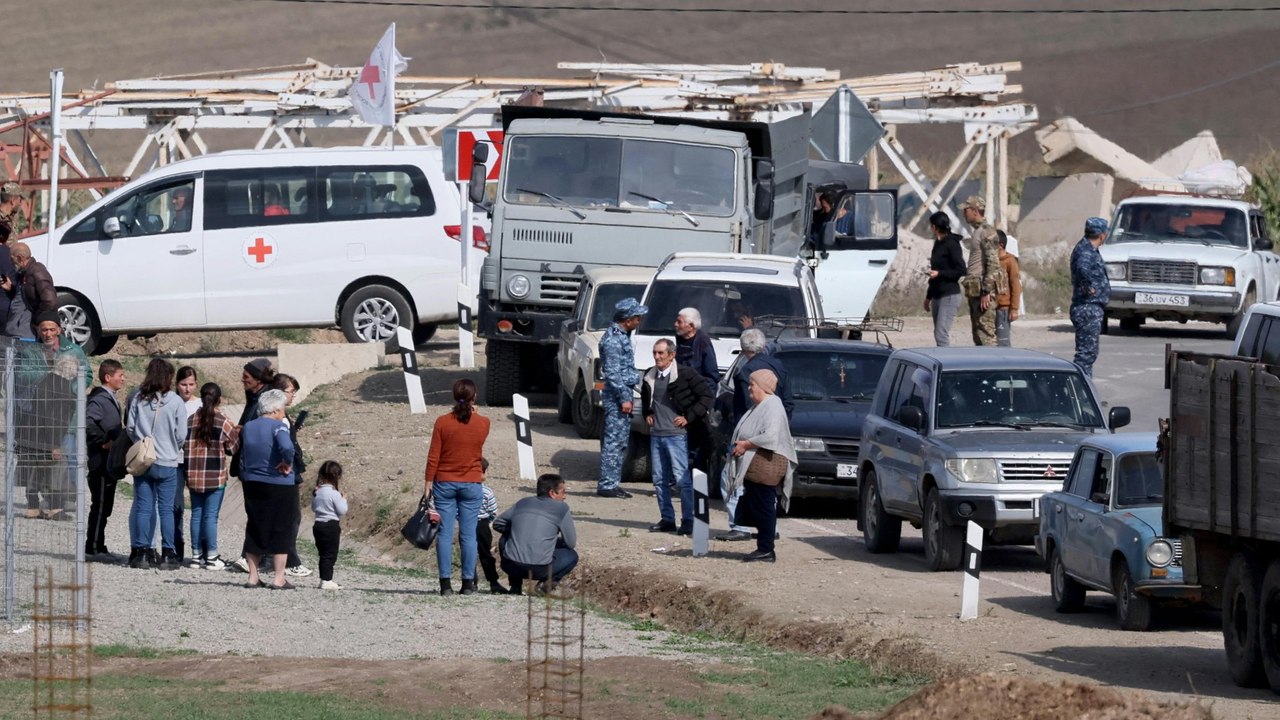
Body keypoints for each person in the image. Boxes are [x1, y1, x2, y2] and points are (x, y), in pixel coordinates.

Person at [716, 328, 793, 542]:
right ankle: (768, 527)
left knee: (731, 479)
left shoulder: (747, 372)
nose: (750, 388)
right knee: (767, 489)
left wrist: (745, 442)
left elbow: (752, 408)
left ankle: (741, 526)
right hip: (775, 438)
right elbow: (788, 401)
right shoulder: (778, 365)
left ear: (742, 349)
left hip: (753, 441)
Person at [16, 311, 91, 521]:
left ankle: (63, 500)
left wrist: (69, 389)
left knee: (64, 460)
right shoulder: (31, 351)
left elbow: (87, 374)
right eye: (44, 330)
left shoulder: (73, 350)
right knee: (36, 461)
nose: (48, 334)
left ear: (59, 330)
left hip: (66, 417)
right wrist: (49, 379)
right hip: (35, 416)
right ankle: (40, 503)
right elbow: (21, 374)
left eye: (51, 329)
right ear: (38, 331)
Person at [424, 378, 490, 596]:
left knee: (445, 534)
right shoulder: (484, 423)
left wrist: (428, 482)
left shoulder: (442, 422)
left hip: (444, 482)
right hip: (472, 482)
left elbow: (434, 456)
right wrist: (475, 412)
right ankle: (468, 583)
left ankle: (445, 584)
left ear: (454, 396)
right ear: (474, 397)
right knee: (468, 535)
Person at [641, 338, 713, 536]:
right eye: (655, 353)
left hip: (676, 436)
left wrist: (688, 418)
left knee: (682, 480)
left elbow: (706, 396)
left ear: (671, 355)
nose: (657, 357)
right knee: (659, 479)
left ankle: (688, 520)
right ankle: (667, 519)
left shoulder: (686, 374)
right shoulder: (650, 375)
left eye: (661, 353)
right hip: (657, 434)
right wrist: (647, 414)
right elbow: (648, 399)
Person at [726, 369, 796, 563]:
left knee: (764, 506)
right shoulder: (761, 405)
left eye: (752, 384)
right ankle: (763, 547)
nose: (749, 388)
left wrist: (746, 444)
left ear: (764, 387)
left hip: (767, 465)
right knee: (757, 504)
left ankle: (766, 549)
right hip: (756, 465)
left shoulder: (773, 405)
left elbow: (771, 436)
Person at [125, 358, 187, 570]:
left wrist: (142, 444)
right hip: (168, 461)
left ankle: (142, 553)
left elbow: (131, 428)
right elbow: (181, 434)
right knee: (166, 510)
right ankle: (168, 554)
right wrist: (171, 446)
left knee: (144, 508)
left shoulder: (138, 399)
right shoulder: (176, 402)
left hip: (145, 460)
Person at [239, 389, 297, 590]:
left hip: (253, 481)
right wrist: (286, 462)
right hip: (278, 482)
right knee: (281, 528)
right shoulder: (278, 427)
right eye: (282, 409)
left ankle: (253, 576)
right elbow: (288, 448)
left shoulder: (248, 427)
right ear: (275, 409)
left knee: (255, 527)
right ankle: (278, 578)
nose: (283, 414)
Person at [493, 473, 578, 596]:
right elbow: (571, 543)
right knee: (571, 556)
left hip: (511, 566)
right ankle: (545, 586)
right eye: (563, 492)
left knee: (506, 538)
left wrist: (519, 532)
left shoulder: (523, 502)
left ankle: (515, 586)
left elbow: (498, 523)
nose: (565, 496)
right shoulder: (561, 508)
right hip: (539, 569)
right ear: (552, 493)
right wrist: (551, 540)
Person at [184, 382, 238, 569]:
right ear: (219, 399)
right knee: (211, 516)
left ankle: (196, 556)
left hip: (193, 475)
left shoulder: (190, 419)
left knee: (196, 514)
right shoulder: (222, 420)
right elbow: (233, 448)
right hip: (215, 476)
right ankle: (212, 557)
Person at [597, 298, 647, 499]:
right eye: (637, 317)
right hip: (617, 395)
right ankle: (607, 484)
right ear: (628, 319)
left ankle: (612, 482)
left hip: (623, 393)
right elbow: (612, 373)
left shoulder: (621, 336)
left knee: (620, 442)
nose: (639, 321)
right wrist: (624, 398)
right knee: (614, 442)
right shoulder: (613, 340)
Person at [231, 358, 275, 573]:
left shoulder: (265, 402)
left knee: (261, 513)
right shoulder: (254, 398)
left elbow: (264, 431)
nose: (243, 380)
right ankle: (252, 557)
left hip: (259, 467)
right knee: (254, 513)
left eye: (246, 377)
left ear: (258, 379)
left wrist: (243, 430)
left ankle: (263, 557)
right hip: (249, 466)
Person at [85, 359, 126, 561]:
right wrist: (103, 442)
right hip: (99, 462)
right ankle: (92, 547)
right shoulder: (99, 399)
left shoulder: (109, 398)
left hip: (108, 462)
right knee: (100, 505)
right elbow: (88, 423)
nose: (123, 379)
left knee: (105, 506)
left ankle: (99, 545)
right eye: (120, 375)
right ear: (108, 377)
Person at [272, 373, 312, 578]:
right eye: (291, 391)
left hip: (285, 473)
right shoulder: (278, 416)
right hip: (286, 473)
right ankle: (290, 561)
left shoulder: (282, 415)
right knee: (291, 518)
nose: (293, 395)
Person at [1071, 217, 1112, 377]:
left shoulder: (1085, 248)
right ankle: (1081, 393)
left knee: (1087, 354)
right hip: (1088, 307)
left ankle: (1083, 389)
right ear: (1102, 235)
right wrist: (1089, 287)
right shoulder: (1086, 251)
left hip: (1088, 306)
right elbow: (1082, 267)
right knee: (1086, 355)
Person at [958, 196, 1001, 346]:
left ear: (975, 211)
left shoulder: (986, 231)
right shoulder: (978, 231)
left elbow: (993, 263)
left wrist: (986, 291)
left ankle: (992, 367)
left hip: (982, 291)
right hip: (975, 290)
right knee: (978, 334)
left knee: (986, 334)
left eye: (966, 210)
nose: (964, 213)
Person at [172, 365, 201, 561]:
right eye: (183, 384)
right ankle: (176, 544)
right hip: (175, 459)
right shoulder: (171, 402)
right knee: (176, 504)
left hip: (195, 459)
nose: (187, 389)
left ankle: (199, 550)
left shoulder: (200, 405)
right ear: (177, 384)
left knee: (198, 506)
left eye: (191, 384)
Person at [924, 212, 965, 347]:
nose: (930, 228)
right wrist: (928, 297)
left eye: (931, 226)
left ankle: (946, 363)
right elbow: (934, 270)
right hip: (937, 293)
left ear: (935, 227)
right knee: (937, 332)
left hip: (949, 294)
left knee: (941, 333)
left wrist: (940, 274)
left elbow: (961, 270)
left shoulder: (952, 244)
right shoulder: (938, 243)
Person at [311, 461, 348, 591]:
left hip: (318, 525)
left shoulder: (317, 491)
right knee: (330, 554)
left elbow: (314, 507)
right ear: (337, 476)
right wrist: (344, 499)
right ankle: (327, 580)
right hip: (331, 526)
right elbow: (342, 510)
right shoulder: (334, 493)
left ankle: (323, 579)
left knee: (323, 553)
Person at [8, 241, 57, 335]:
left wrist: (37, 321)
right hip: (17, 329)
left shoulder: (37, 272)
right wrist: (10, 288)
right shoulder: (23, 273)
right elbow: (23, 297)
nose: (10, 262)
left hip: (27, 331)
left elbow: (50, 301)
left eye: (11, 259)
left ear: (19, 258)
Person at [475, 459, 509, 595]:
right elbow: (493, 511)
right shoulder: (487, 492)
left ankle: (470, 580)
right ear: (481, 473)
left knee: (468, 552)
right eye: (487, 471)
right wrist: (487, 521)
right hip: (482, 525)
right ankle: (493, 583)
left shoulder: (463, 490)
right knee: (485, 554)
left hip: (467, 524)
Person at [995, 230, 1023, 348]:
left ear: (1000, 245)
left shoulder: (1010, 261)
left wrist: (1014, 309)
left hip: (1003, 309)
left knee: (1003, 342)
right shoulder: (991, 262)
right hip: (991, 308)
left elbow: (1016, 286)